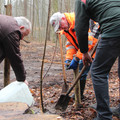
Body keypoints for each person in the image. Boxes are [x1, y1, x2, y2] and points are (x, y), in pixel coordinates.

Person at [75, 0, 120, 120]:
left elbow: (80, 26)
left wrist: (84, 52)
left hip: (114, 29)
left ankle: (104, 115)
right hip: (113, 26)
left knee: (98, 72)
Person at [50, 12, 99, 100]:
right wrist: (68, 59)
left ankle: (101, 103)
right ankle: (79, 96)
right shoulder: (66, 29)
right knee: (82, 72)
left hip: (97, 46)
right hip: (85, 50)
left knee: (97, 73)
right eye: (59, 28)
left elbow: (88, 41)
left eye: (60, 25)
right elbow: (71, 44)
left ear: (63, 19)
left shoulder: (79, 20)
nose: (61, 28)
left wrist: (77, 58)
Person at [0, 15, 31, 84]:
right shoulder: (12, 30)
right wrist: (22, 78)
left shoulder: (6, 22)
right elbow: (15, 56)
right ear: (22, 28)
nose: (22, 38)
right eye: (23, 35)